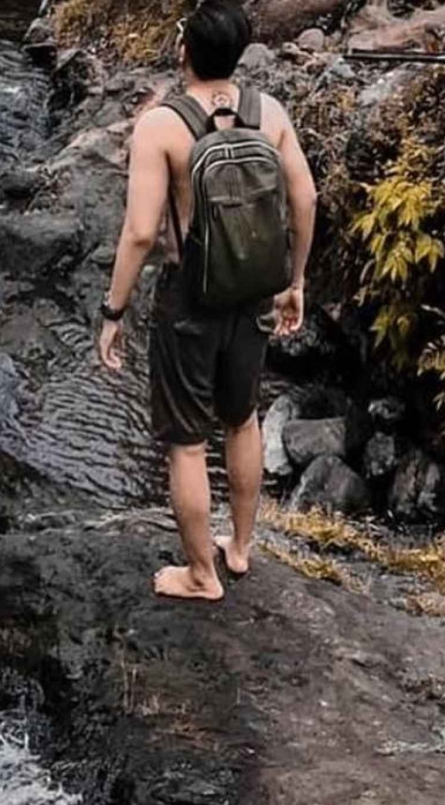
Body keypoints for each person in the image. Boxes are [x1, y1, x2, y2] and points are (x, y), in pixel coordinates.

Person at [96, 0, 316, 601]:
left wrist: (113, 313)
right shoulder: (268, 112)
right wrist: (294, 281)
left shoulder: (162, 126)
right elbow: (306, 198)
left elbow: (141, 232)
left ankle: (200, 574)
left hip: (191, 296)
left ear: (184, 52)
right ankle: (240, 549)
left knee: (188, 441)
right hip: (255, 291)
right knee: (242, 417)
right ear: (240, 54)